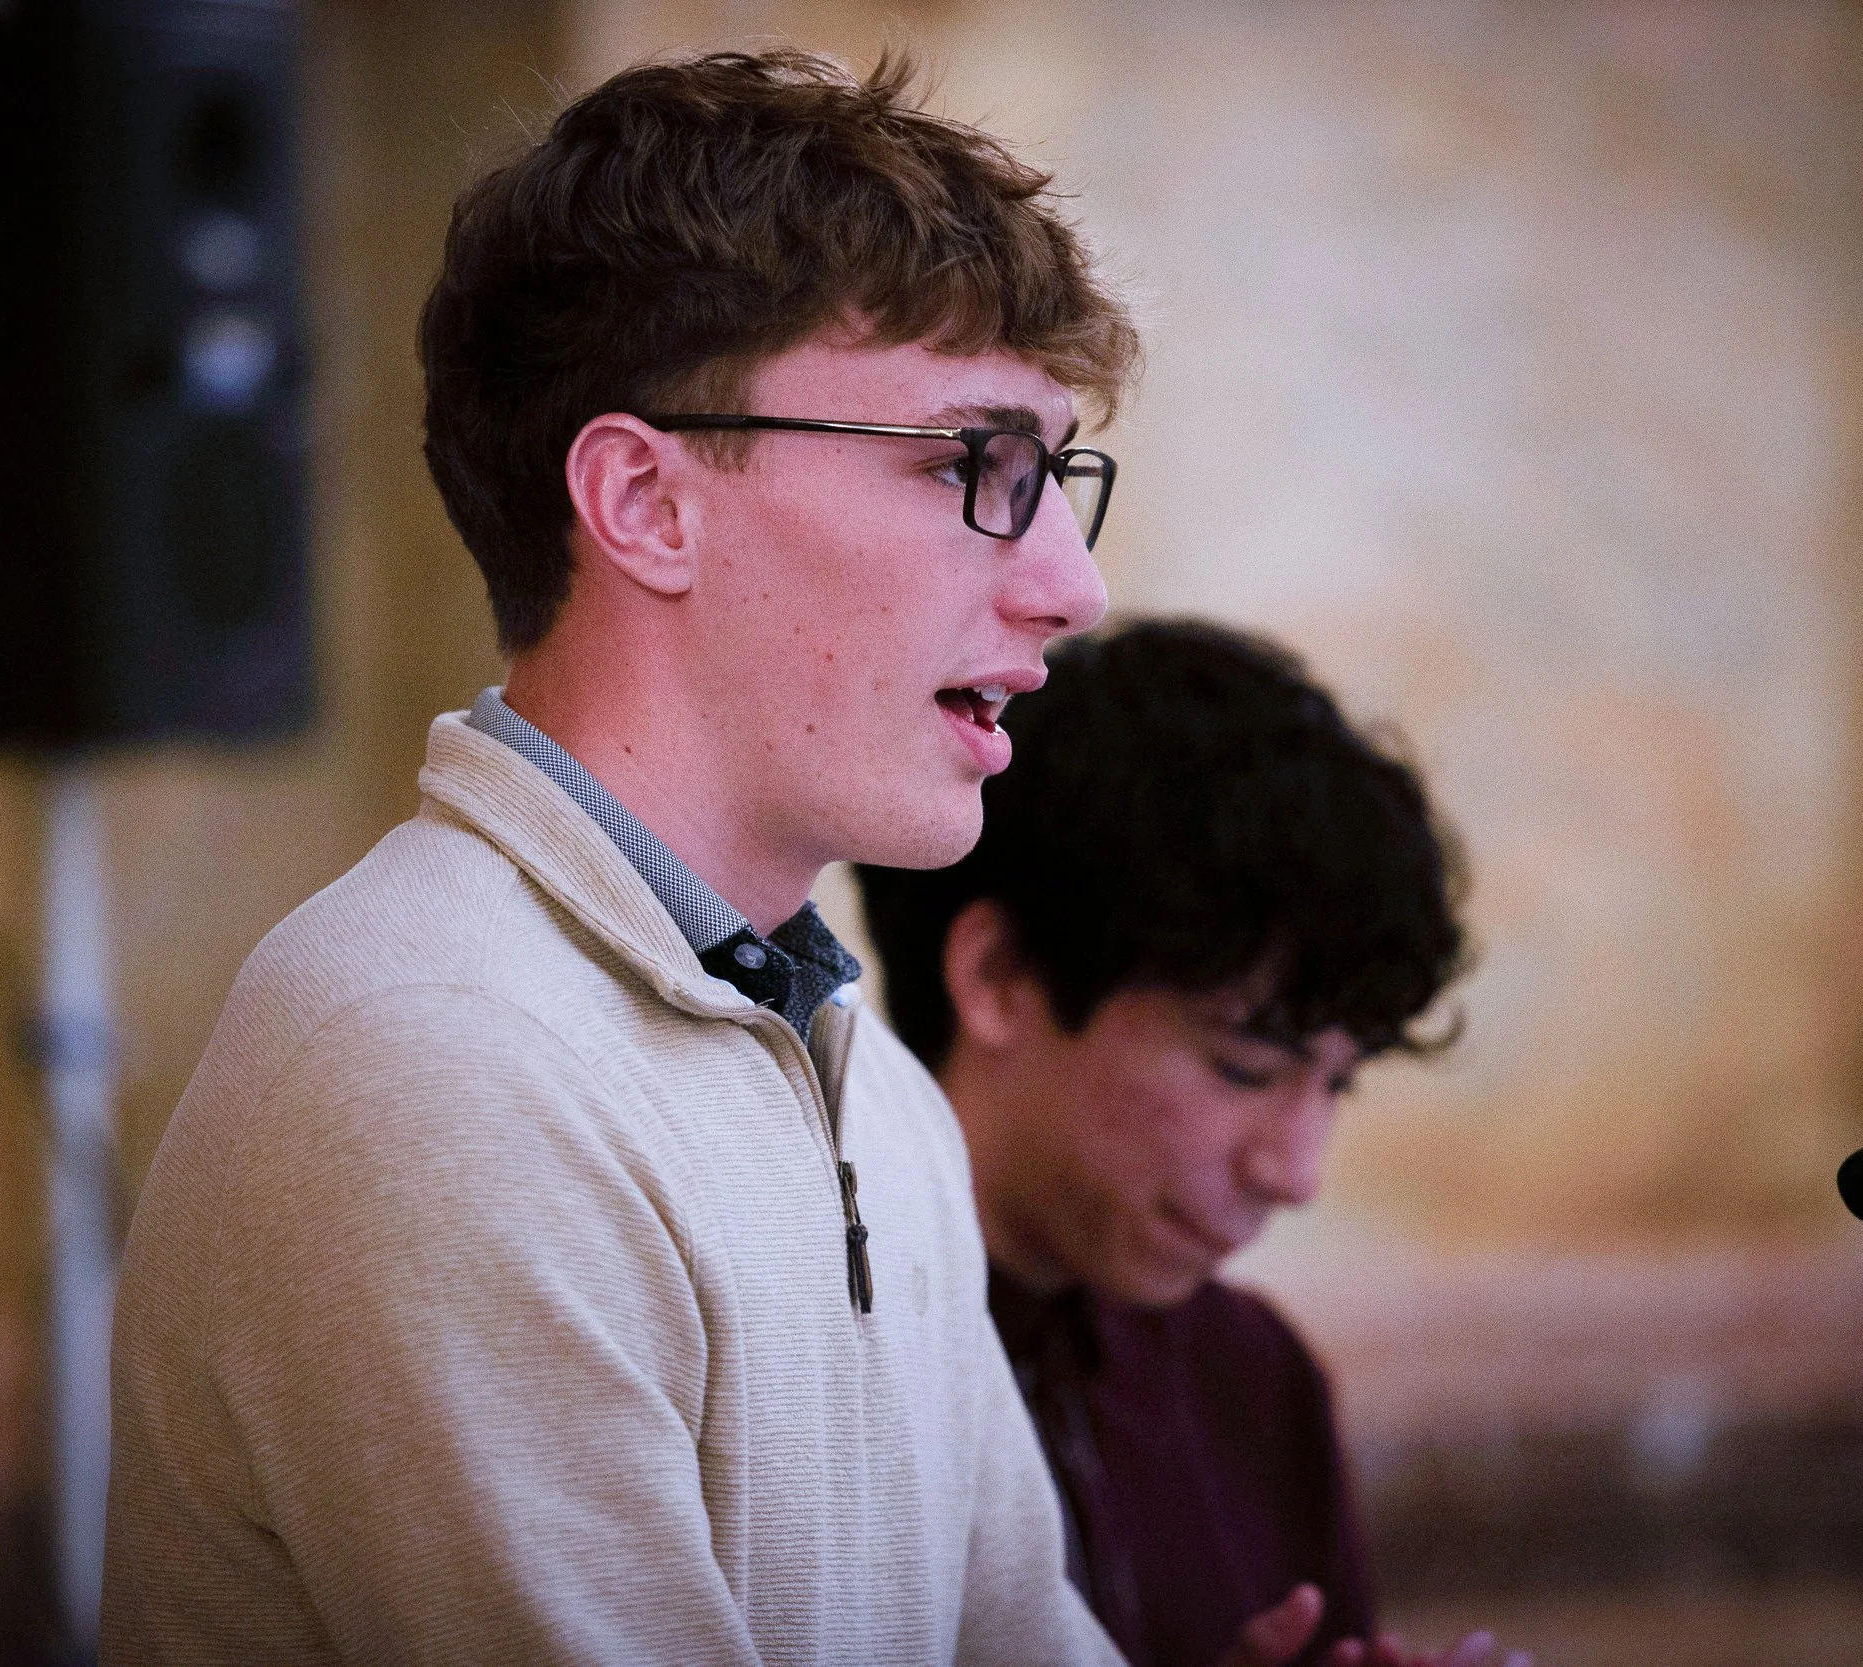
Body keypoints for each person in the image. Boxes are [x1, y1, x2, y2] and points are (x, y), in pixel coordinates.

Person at [101, 49, 1158, 1664]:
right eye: (974, 468)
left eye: (1058, 477)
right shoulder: (435, 1063)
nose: (1071, 588)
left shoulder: (867, 1078)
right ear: (647, 502)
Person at [858, 620, 1520, 1667]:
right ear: (999, 977)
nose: (1294, 1170)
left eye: (1337, 1082)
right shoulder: (801, 1362)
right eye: (1244, 1066)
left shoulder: (1249, 1381)